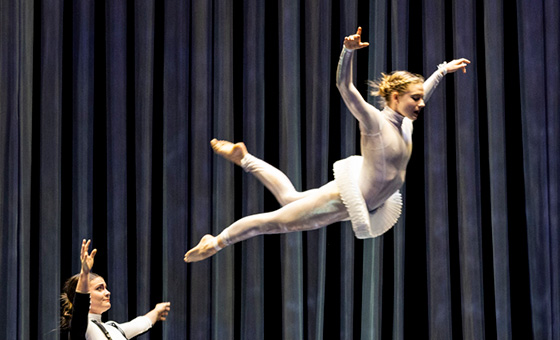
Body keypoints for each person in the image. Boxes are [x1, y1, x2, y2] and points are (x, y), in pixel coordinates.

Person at [184, 27, 470, 263]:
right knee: (276, 221)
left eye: (420, 98)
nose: (420, 103)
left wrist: (443, 70)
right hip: (344, 199)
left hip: (360, 191)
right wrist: (347, 52)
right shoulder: (374, 122)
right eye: (414, 98)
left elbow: (426, 93)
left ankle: (245, 158)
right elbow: (345, 88)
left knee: (290, 199)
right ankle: (217, 242)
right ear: (394, 97)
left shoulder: (405, 123)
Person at [60, 239, 171, 339]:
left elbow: (141, 323)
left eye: (105, 288)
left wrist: (157, 311)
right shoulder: (83, 328)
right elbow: (80, 307)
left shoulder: (113, 328)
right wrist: (84, 273)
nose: (107, 293)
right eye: (99, 288)